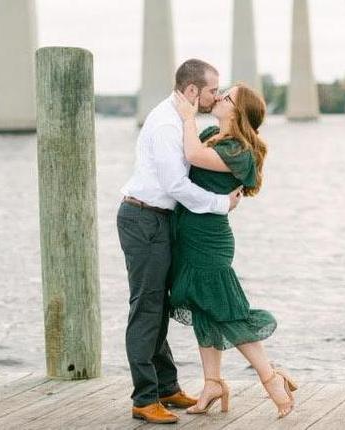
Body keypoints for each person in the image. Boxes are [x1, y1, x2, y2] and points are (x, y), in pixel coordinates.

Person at [116, 59, 243, 424]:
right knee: (146, 307)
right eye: (212, 91)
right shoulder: (166, 124)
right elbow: (175, 185)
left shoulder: (180, 119)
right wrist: (221, 204)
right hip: (144, 219)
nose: (215, 96)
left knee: (159, 305)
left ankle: (166, 387)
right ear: (191, 91)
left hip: (158, 220)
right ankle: (144, 399)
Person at [168, 83, 298, 419]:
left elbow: (193, 156)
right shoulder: (212, 134)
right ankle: (212, 383)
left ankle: (271, 378)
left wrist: (187, 117)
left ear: (237, 111)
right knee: (203, 309)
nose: (219, 96)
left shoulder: (239, 150)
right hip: (189, 235)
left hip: (210, 240)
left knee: (227, 311)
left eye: (226, 95)